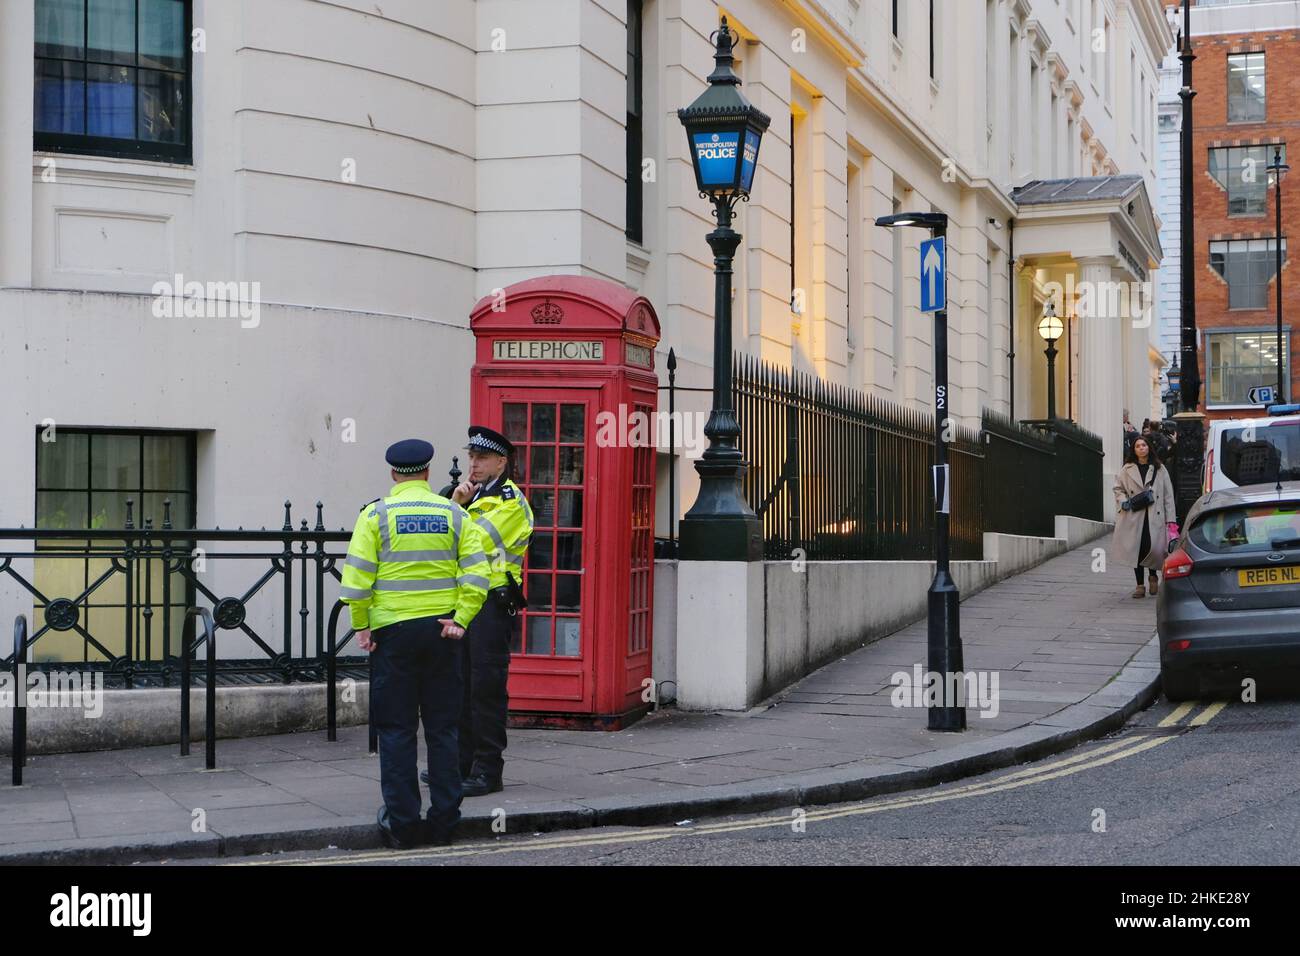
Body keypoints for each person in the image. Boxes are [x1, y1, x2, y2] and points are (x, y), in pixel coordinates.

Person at [340, 439, 492, 848]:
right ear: (428, 472)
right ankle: (445, 823)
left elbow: (356, 580)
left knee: (396, 731)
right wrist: (461, 620)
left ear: (394, 474)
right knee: (443, 731)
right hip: (443, 634)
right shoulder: (453, 513)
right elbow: (478, 574)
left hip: (393, 636)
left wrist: (362, 627)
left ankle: (403, 825)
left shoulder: (377, 514)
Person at [422, 425, 534, 797]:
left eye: (482, 458)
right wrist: (456, 503)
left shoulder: (511, 503)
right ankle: (459, 765)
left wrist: (455, 507)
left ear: (501, 461)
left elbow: (467, 541)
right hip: (462, 600)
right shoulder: (467, 498)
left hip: (491, 603)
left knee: (485, 689)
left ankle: (489, 771)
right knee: (459, 687)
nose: (474, 464)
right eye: (471, 457)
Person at [1112, 436, 1177, 598]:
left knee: (1153, 548)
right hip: (1134, 515)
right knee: (1137, 549)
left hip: (1155, 515)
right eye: (1138, 446)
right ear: (1133, 450)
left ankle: (1153, 576)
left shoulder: (1159, 468)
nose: (1141, 448)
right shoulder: (1127, 469)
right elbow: (1117, 488)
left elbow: (1168, 496)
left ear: (1149, 448)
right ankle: (1139, 585)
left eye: (1144, 445)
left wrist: (1171, 521)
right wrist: (1123, 502)